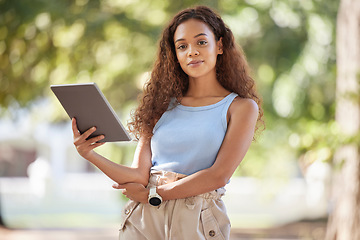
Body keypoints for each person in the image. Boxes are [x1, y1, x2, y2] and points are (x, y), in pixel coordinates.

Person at [72, 5, 264, 240]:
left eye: (201, 42)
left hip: (196, 217)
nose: (191, 52)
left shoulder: (241, 107)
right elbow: (139, 175)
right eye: (182, 46)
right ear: (175, 54)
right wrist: (89, 154)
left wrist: (154, 193)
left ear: (220, 45)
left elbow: (218, 175)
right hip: (144, 216)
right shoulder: (160, 106)